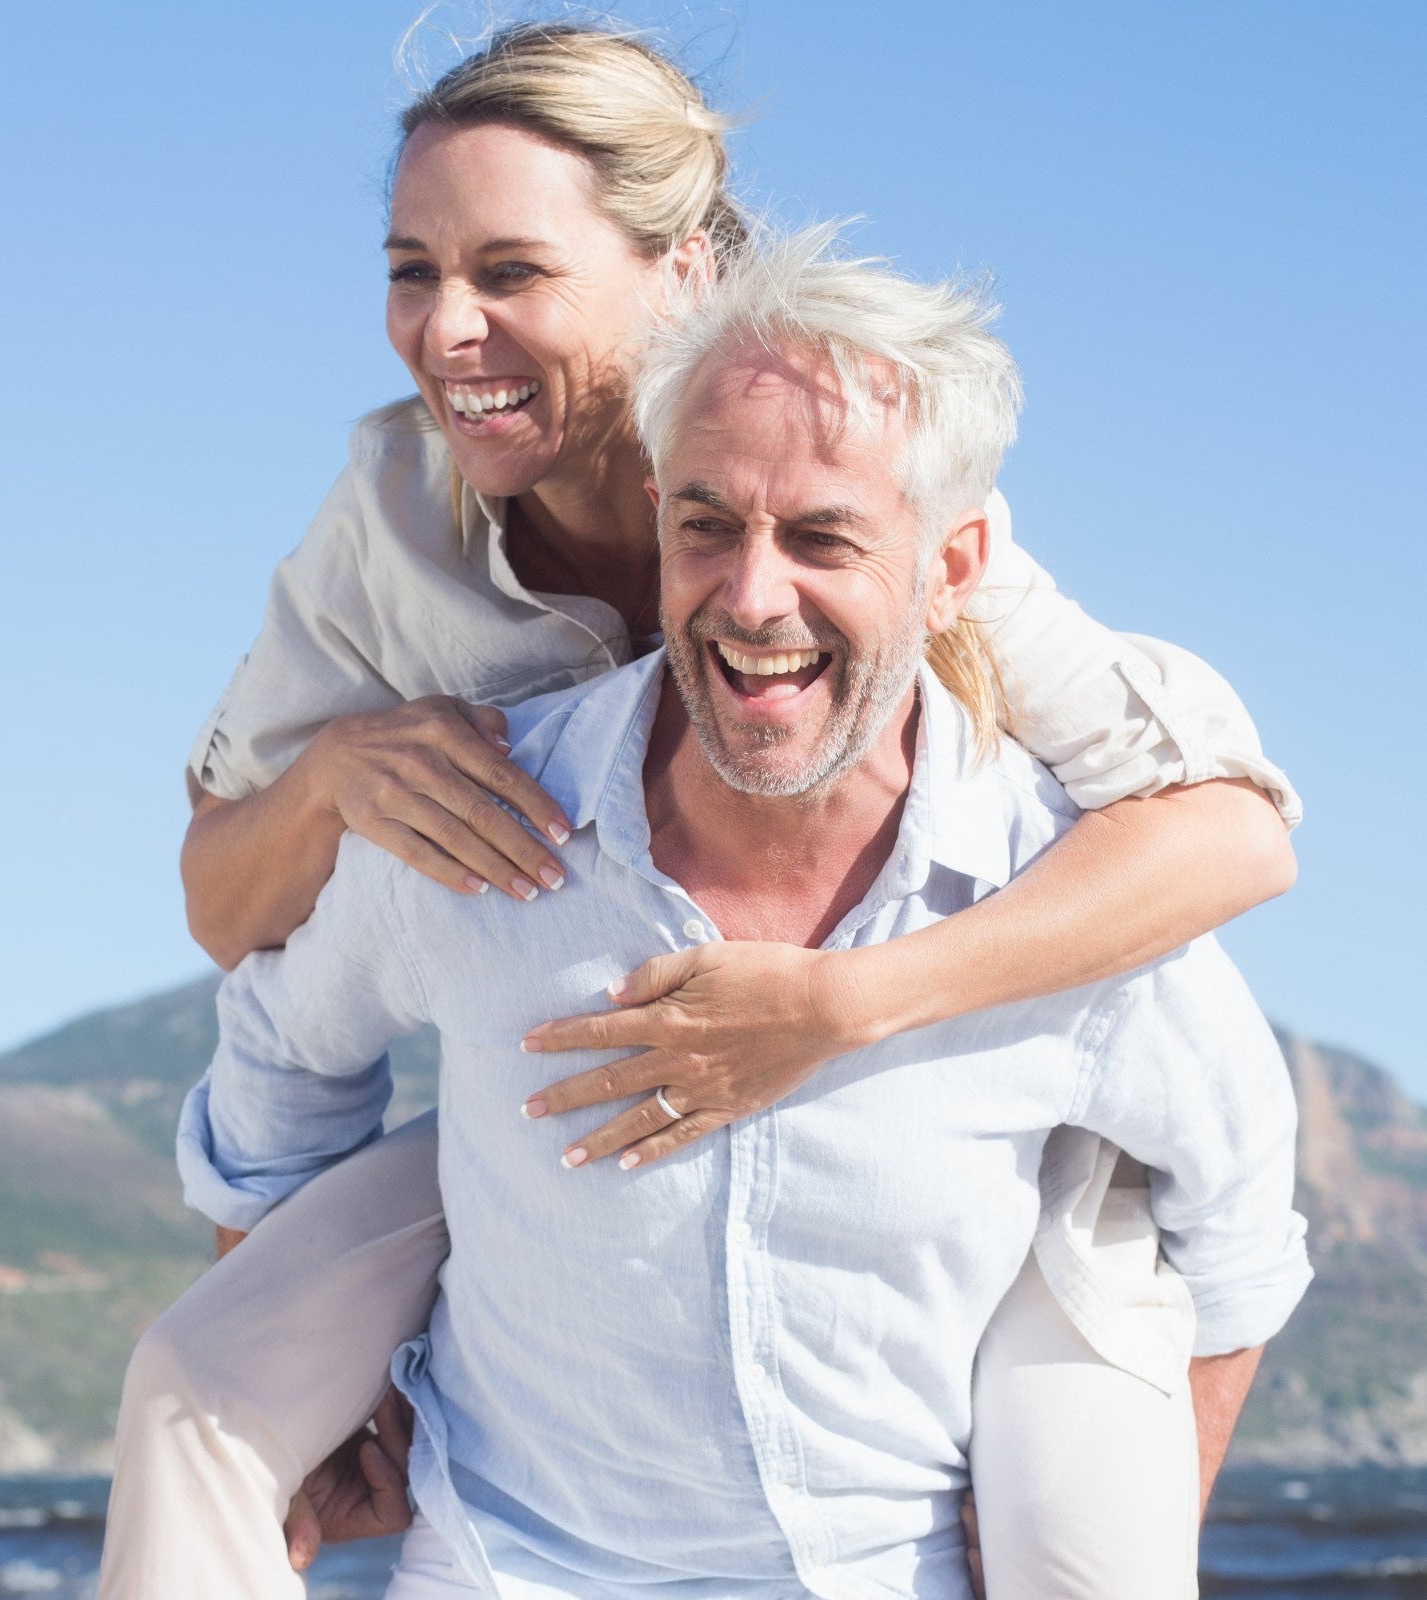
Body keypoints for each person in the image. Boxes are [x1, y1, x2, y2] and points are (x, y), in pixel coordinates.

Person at [100, 24, 1304, 1599]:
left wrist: (842, 1006)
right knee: (200, 1385)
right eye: (414, 270)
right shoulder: (393, 526)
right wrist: (338, 776)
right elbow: (229, 920)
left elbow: (1233, 836)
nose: (448, 330)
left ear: (682, 275)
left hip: (918, 1034)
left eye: (513, 271)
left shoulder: (878, 491)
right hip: (541, 1015)